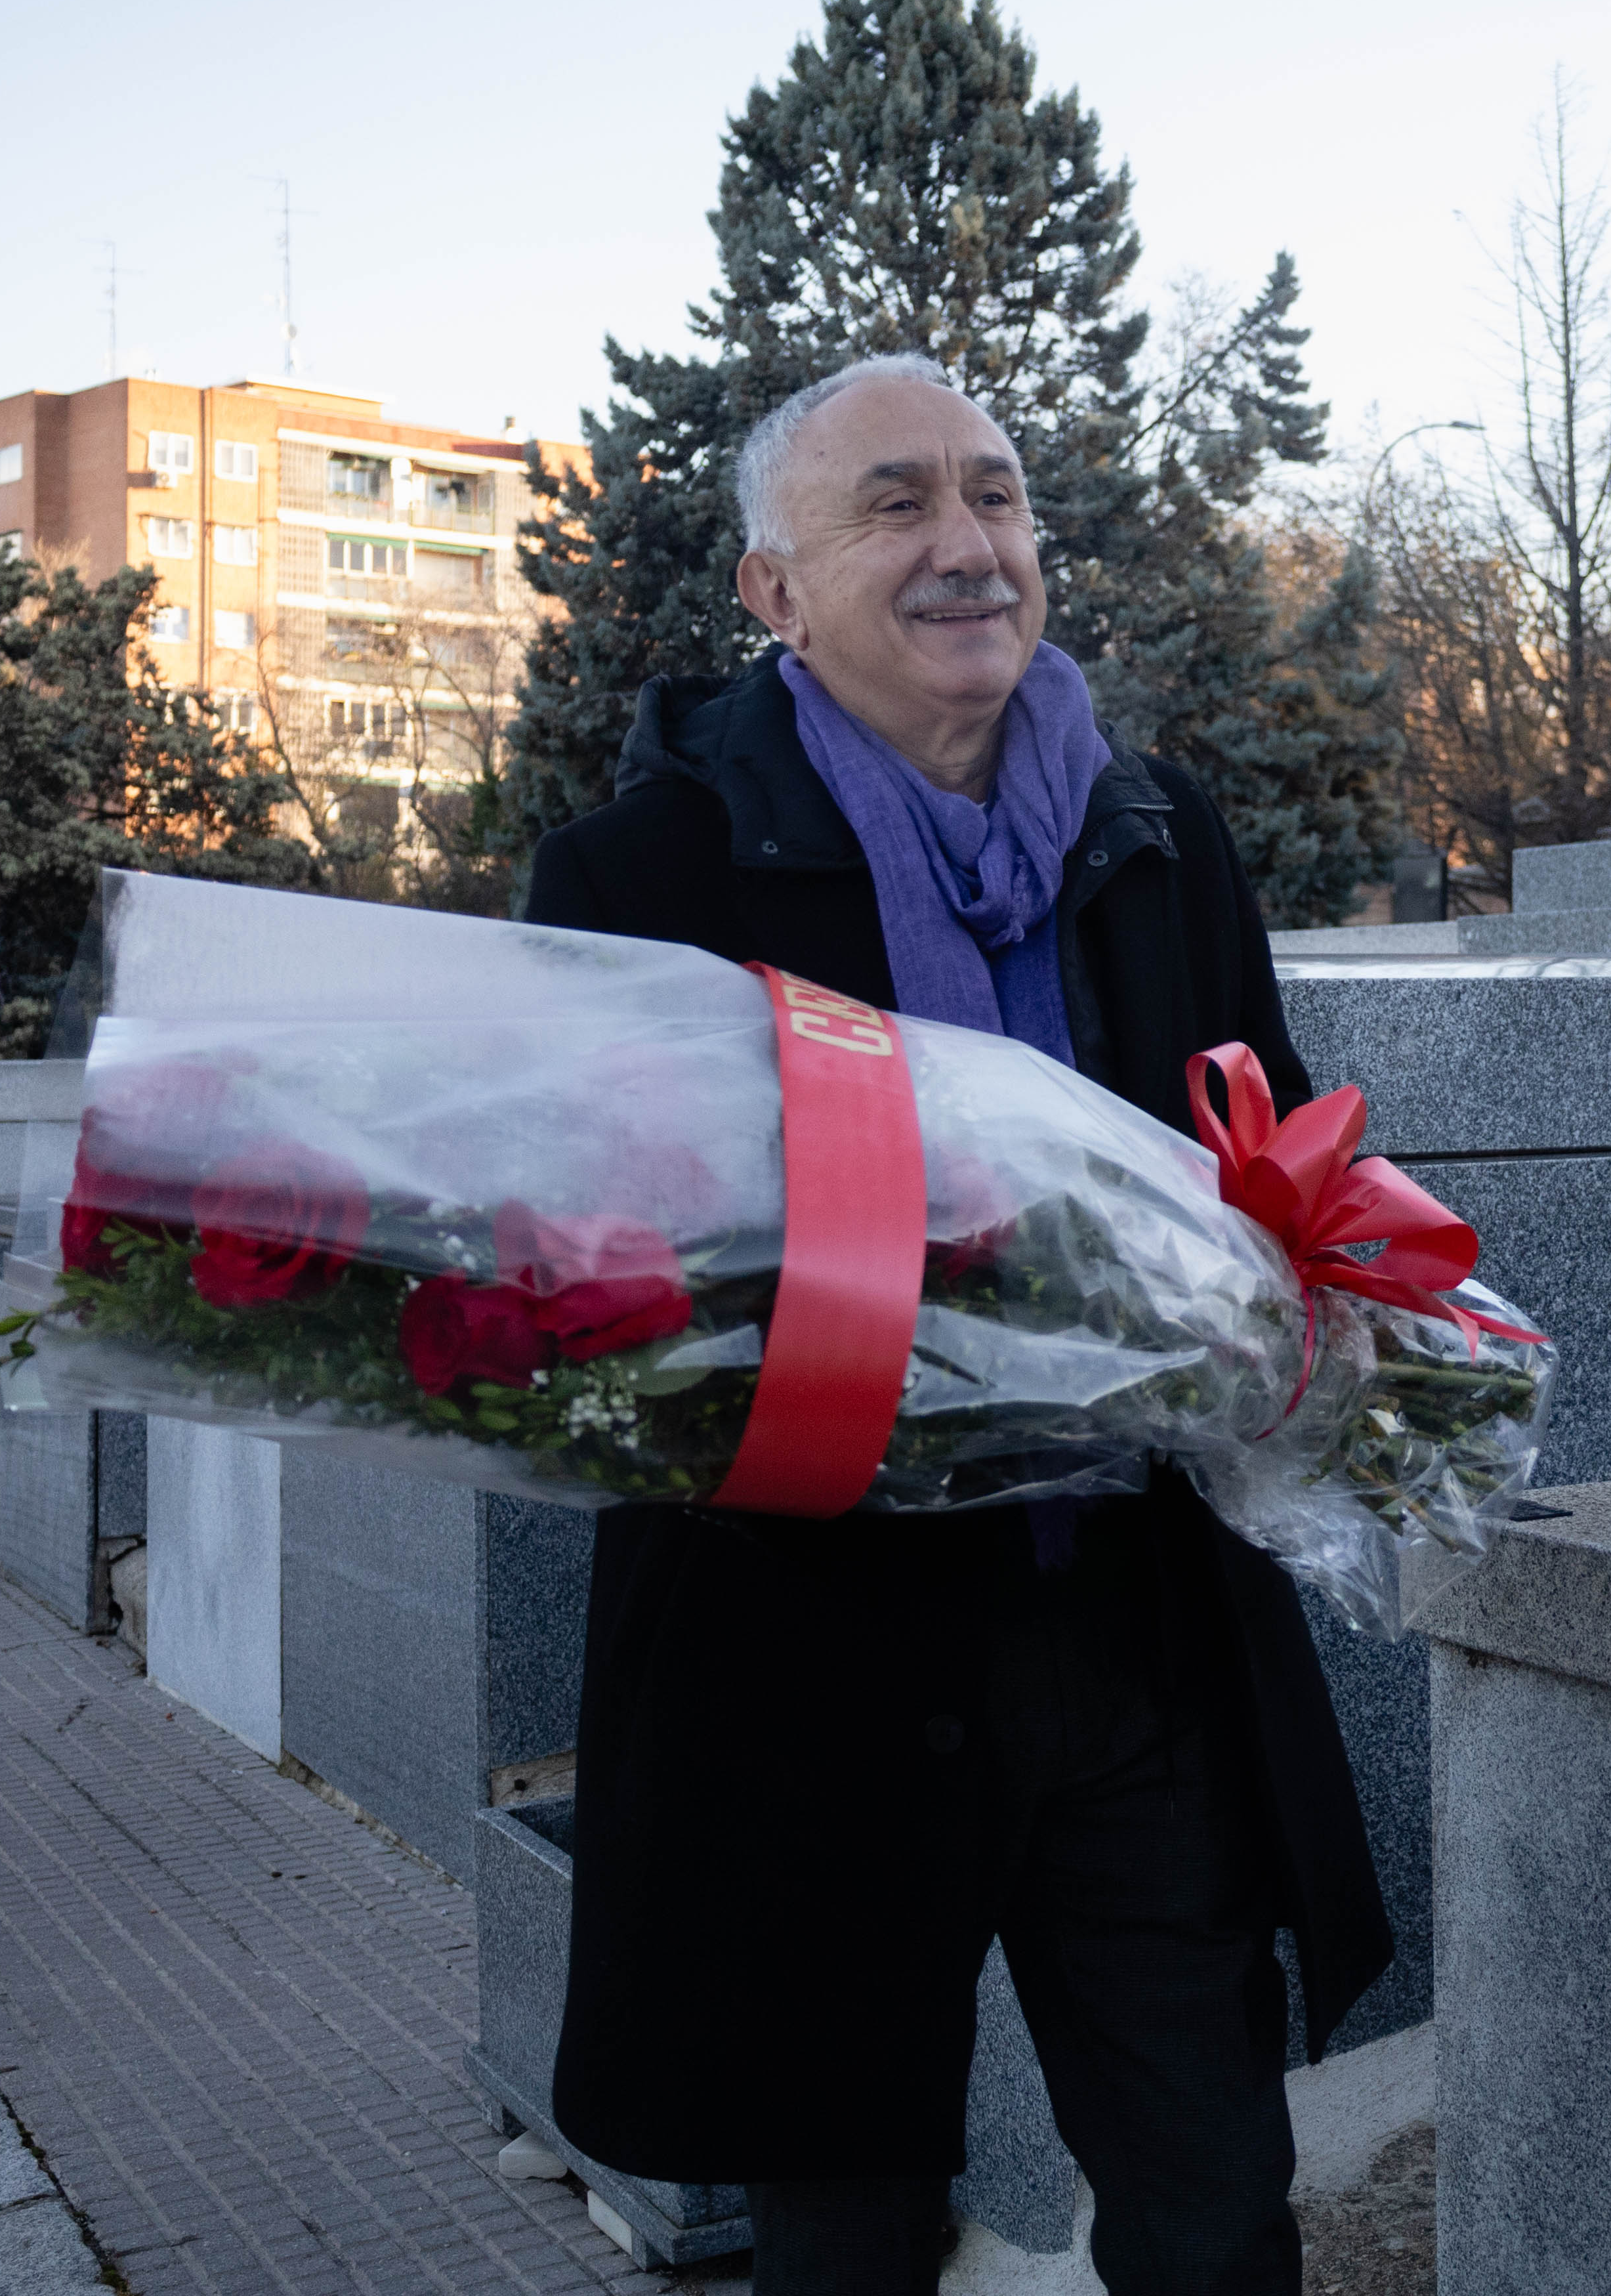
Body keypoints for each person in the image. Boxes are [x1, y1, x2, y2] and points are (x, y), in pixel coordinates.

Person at [519, 355, 1384, 2296]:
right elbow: (594, 1305)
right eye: (895, 505)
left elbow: (1277, 1164)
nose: (966, 545)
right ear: (774, 593)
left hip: (1138, 1635)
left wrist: (1318, 1320)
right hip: (810, 1668)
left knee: (1215, 2210)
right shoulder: (643, 879)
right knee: (843, 2246)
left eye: (993, 496)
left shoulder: (1157, 839)